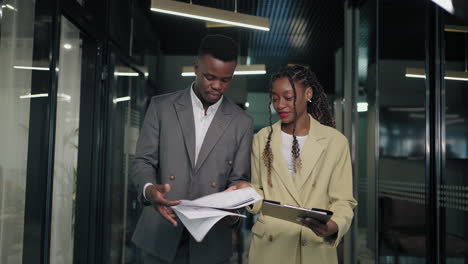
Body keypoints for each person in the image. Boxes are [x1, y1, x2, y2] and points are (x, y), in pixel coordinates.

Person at [131, 34, 253, 264]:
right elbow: (142, 162)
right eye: (210, 77)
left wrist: (234, 211)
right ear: (196, 67)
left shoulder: (242, 122)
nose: (217, 86)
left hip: (212, 242)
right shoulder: (161, 107)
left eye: (226, 80)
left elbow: (239, 180)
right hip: (160, 234)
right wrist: (149, 190)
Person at [246, 65, 357, 264]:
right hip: (271, 247)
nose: (280, 105)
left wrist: (334, 225)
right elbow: (258, 190)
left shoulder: (336, 142)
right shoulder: (262, 138)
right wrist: (244, 194)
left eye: (288, 98)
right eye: (275, 98)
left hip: (314, 245)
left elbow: (343, 200)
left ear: (308, 93)